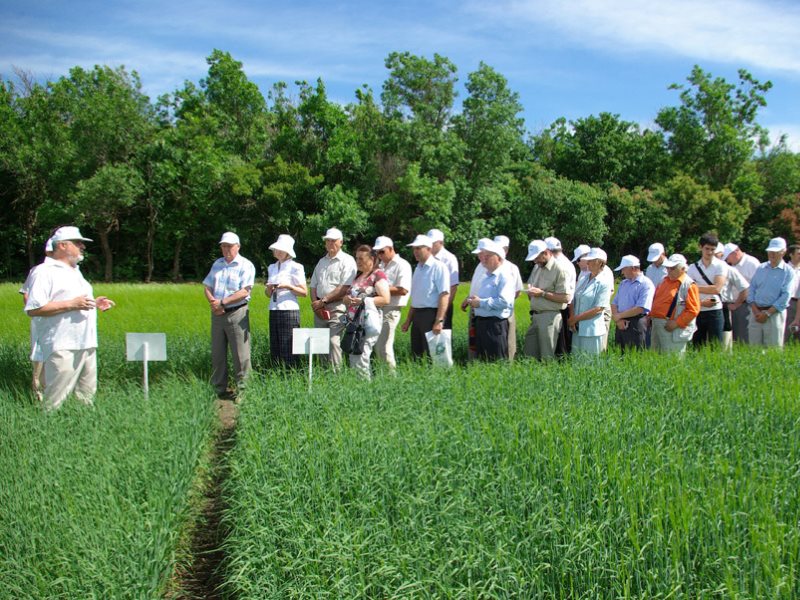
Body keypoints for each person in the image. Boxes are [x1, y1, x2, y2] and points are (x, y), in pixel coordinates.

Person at [24, 226, 115, 410]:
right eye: (78, 242)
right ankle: (49, 431)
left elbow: (76, 302)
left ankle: (81, 431)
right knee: (55, 401)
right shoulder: (44, 272)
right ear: (63, 245)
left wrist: (94, 303)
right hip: (62, 344)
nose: (83, 246)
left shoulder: (75, 271)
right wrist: (72, 304)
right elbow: (34, 308)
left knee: (86, 398)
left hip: (87, 343)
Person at [203, 231, 255, 400]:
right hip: (217, 314)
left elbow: (244, 291)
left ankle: (244, 391)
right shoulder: (217, 264)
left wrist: (223, 302)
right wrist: (213, 303)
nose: (226, 249)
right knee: (217, 353)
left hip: (236, 313)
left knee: (241, 354)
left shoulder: (245, 265)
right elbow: (207, 285)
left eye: (229, 246)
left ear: (237, 247)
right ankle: (219, 388)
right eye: (223, 246)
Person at [310, 228, 358, 370]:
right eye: (328, 240)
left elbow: (344, 288)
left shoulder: (347, 261)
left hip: (338, 308)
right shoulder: (321, 262)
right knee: (320, 343)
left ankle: (336, 375)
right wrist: (316, 305)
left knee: (333, 341)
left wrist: (323, 301)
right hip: (320, 308)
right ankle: (323, 374)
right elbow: (313, 286)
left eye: (333, 240)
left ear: (341, 242)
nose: (330, 243)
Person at [343, 245, 391, 378]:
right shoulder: (358, 276)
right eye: (356, 258)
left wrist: (363, 301)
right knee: (353, 354)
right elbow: (347, 295)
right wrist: (347, 299)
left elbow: (385, 299)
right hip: (354, 322)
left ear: (372, 259)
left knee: (362, 354)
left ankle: (365, 387)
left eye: (361, 258)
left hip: (368, 322)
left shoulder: (378, 275)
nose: (358, 261)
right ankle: (358, 386)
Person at [464, 239, 516, 361]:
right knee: (483, 361)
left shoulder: (504, 276)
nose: (484, 259)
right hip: (482, 323)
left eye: (488, 256)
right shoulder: (487, 276)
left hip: (495, 325)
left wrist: (480, 302)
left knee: (495, 361)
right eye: (483, 256)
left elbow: (505, 302)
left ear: (498, 258)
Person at [401, 234, 450, 358]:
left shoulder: (439, 267)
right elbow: (416, 297)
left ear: (428, 249)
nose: (415, 252)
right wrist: (408, 320)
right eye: (414, 249)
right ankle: (420, 375)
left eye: (418, 248)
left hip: (431, 314)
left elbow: (444, 295)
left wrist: (439, 320)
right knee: (417, 352)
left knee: (432, 354)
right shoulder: (418, 268)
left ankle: (435, 377)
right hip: (417, 315)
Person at [523, 239, 570, 361]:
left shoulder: (560, 269)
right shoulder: (537, 267)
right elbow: (533, 288)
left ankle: (547, 377)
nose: (535, 261)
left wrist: (542, 294)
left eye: (537, 257)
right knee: (530, 354)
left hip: (550, 317)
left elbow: (565, 298)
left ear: (545, 252)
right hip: (535, 316)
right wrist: (530, 291)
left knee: (547, 356)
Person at [19, 236, 54, 401]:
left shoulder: (72, 271)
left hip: (60, 325)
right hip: (41, 322)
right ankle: (38, 394)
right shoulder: (39, 270)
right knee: (39, 358)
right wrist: (37, 311)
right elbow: (26, 293)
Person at [265, 234, 307, 367]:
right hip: (274, 308)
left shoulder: (296, 267)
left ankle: (291, 373)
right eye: (276, 249)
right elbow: (267, 294)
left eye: (281, 250)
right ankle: (277, 373)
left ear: (288, 252)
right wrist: (269, 288)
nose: (277, 252)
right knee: (275, 344)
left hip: (289, 309)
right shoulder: (272, 267)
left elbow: (303, 292)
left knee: (288, 346)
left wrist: (288, 286)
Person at [746, 237, 795, 348]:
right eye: (770, 251)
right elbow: (752, 288)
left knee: (773, 348)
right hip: (756, 312)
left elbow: (786, 295)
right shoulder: (761, 268)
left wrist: (768, 313)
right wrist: (755, 310)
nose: (772, 254)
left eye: (776, 252)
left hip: (774, 314)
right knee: (754, 348)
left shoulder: (788, 272)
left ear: (783, 252)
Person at [373, 236, 412, 371]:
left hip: (391, 309)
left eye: (382, 252)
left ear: (391, 249)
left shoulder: (402, 265)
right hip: (378, 308)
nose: (379, 255)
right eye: (377, 252)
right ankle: (384, 374)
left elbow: (403, 289)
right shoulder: (381, 266)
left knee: (383, 346)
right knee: (378, 345)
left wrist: (378, 289)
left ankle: (391, 377)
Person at [648, 254, 701, 354]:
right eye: (667, 268)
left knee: (672, 360)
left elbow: (693, 310)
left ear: (683, 268)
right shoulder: (664, 280)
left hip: (673, 327)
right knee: (656, 359)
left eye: (672, 268)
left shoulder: (689, 284)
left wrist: (677, 323)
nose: (669, 271)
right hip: (656, 325)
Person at [568, 248, 613, 356]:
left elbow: (599, 308)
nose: (587, 262)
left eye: (591, 260)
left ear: (600, 262)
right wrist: (572, 318)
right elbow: (573, 299)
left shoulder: (604, 282)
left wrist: (576, 319)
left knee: (590, 362)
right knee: (576, 360)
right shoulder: (583, 279)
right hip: (577, 328)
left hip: (592, 330)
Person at [687, 232, 728, 346]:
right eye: (707, 249)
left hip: (715, 310)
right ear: (700, 247)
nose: (710, 252)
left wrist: (695, 287)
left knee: (716, 346)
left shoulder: (721, 265)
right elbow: (687, 290)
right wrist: (701, 301)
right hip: (698, 309)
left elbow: (717, 289)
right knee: (697, 346)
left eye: (712, 249)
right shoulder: (692, 268)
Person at [611, 255, 655, 352]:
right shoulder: (623, 283)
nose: (622, 272)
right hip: (621, 322)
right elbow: (614, 303)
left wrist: (619, 316)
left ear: (633, 268)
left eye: (624, 269)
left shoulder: (646, 284)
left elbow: (640, 308)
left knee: (636, 353)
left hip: (637, 322)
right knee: (619, 352)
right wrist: (619, 320)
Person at [722, 242, 761, 342]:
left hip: (746, 305)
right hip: (734, 304)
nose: (727, 261)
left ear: (735, 252)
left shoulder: (752, 263)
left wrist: (736, 304)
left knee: (744, 335)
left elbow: (754, 287)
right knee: (735, 336)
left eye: (728, 257)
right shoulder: (733, 265)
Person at [493, 235, 524, 359]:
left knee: (509, 342)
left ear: (506, 250)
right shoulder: (484, 265)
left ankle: (509, 365)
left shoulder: (512, 268)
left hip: (507, 311)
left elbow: (518, 291)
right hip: (487, 312)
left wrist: (505, 301)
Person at [715, 243, 749, 351]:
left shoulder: (728, 269)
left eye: (717, 255)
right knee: (706, 343)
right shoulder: (699, 268)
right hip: (704, 308)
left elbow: (744, 288)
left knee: (725, 344)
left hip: (723, 307)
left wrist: (736, 304)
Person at [545, 237, 576, 356]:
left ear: (548, 251)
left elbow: (562, 293)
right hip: (565, 307)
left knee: (560, 343)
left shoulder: (559, 266)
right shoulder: (567, 263)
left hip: (561, 307)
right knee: (562, 342)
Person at [427, 229, 459, 329]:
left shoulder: (449, 258)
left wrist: (443, 311)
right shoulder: (427, 258)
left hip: (443, 304)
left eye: (433, 243)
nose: (430, 246)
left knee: (441, 338)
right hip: (429, 305)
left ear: (441, 242)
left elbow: (453, 286)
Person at [783, 244, 800, 344]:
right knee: (787, 329)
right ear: (791, 255)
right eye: (798, 253)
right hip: (788, 302)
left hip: (799, 301)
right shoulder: (785, 269)